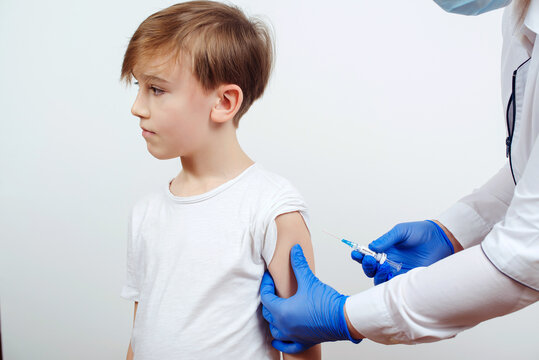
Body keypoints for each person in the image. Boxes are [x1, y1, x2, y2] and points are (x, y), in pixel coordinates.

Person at [260, 0, 539, 353]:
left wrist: (344, 315)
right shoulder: (522, 15)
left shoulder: (271, 205)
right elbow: (528, 169)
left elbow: (528, 254)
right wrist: (452, 232)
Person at [119, 2, 321, 359]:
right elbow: (140, 336)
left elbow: (299, 345)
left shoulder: (272, 210)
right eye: (139, 85)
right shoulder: (147, 213)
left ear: (224, 102)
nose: (137, 106)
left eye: (157, 89)